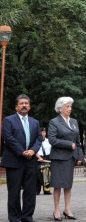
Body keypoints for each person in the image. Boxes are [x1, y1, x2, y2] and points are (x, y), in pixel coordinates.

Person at [0, 94, 42, 222]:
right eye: (21, 103)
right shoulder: (8, 120)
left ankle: (27, 217)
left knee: (30, 191)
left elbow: (39, 139)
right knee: (14, 192)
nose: (24, 105)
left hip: (31, 161)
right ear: (16, 107)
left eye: (26, 103)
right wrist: (22, 151)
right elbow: (8, 138)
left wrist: (33, 150)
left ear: (29, 106)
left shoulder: (35, 122)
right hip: (14, 160)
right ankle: (14, 217)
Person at [48, 97, 83, 220]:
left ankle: (67, 209)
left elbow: (77, 141)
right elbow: (52, 140)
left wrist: (80, 156)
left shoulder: (74, 121)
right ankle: (56, 210)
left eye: (70, 106)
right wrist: (68, 144)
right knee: (57, 185)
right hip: (58, 158)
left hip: (70, 158)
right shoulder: (54, 122)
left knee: (68, 185)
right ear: (60, 108)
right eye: (67, 106)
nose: (69, 109)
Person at [36, 128, 52, 195]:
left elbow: (52, 150)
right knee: (38, 175)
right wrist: (39, 157)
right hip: (38, 158)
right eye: (42, 132)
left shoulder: (49, 141)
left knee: (47, 174)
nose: (43, 133)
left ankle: (47, 190)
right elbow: (34, 150)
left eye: (44, 132)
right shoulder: (36, 141)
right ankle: (37, 190)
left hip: (47, 158)